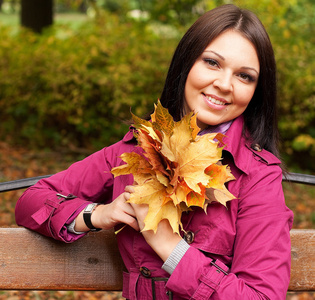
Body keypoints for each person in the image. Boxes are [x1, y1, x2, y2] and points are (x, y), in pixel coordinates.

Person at [15, 4, 294, 299]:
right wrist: (97, 214)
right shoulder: (138, 150)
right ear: (186, 63)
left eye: (244, 76)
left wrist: (171, 248)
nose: (224, 84)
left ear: (256, 90)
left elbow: (261, 295)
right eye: (212, 62)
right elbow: (31, 202)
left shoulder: (257, 175)